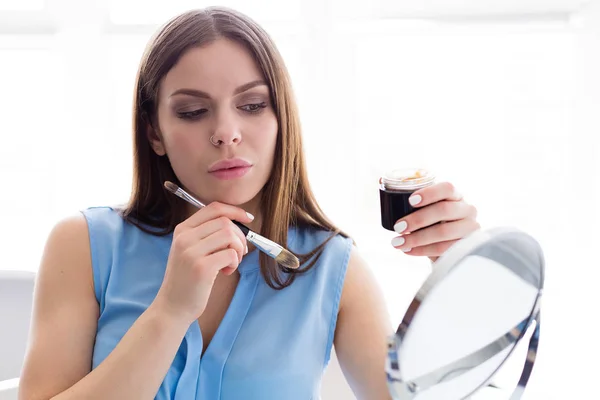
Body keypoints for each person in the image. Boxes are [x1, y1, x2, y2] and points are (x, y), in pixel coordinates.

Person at [18, 7, 480, 400]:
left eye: (253, 105)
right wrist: (170, 311)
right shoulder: (83, 245)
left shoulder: (331, 266)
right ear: (154, 133)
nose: (226, 132)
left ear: (281, 119)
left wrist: (468, 276)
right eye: (193, 111)